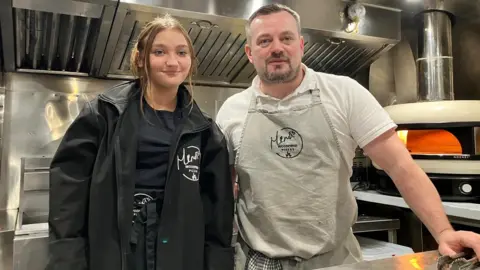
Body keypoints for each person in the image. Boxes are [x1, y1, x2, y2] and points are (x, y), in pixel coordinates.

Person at [215, 3, 480, 270]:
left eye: (286, 38)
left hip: (334, 261)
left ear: (301, 45)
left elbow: (402, 167)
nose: (277, 48)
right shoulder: (231, 112)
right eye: (264, 41)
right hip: (259, 261)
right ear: (249, 53)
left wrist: (444, 232)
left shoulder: (345, 94)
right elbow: (223, 192)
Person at [46, 14, 234, 270]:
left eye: (181, 52)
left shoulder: (204, 131)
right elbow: (68, 193)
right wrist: (67, 259)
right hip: (118, 250)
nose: (172, 62)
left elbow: (218, 211)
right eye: (159, 51)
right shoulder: (104, 113)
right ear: (140, 57)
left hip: (178, 253)